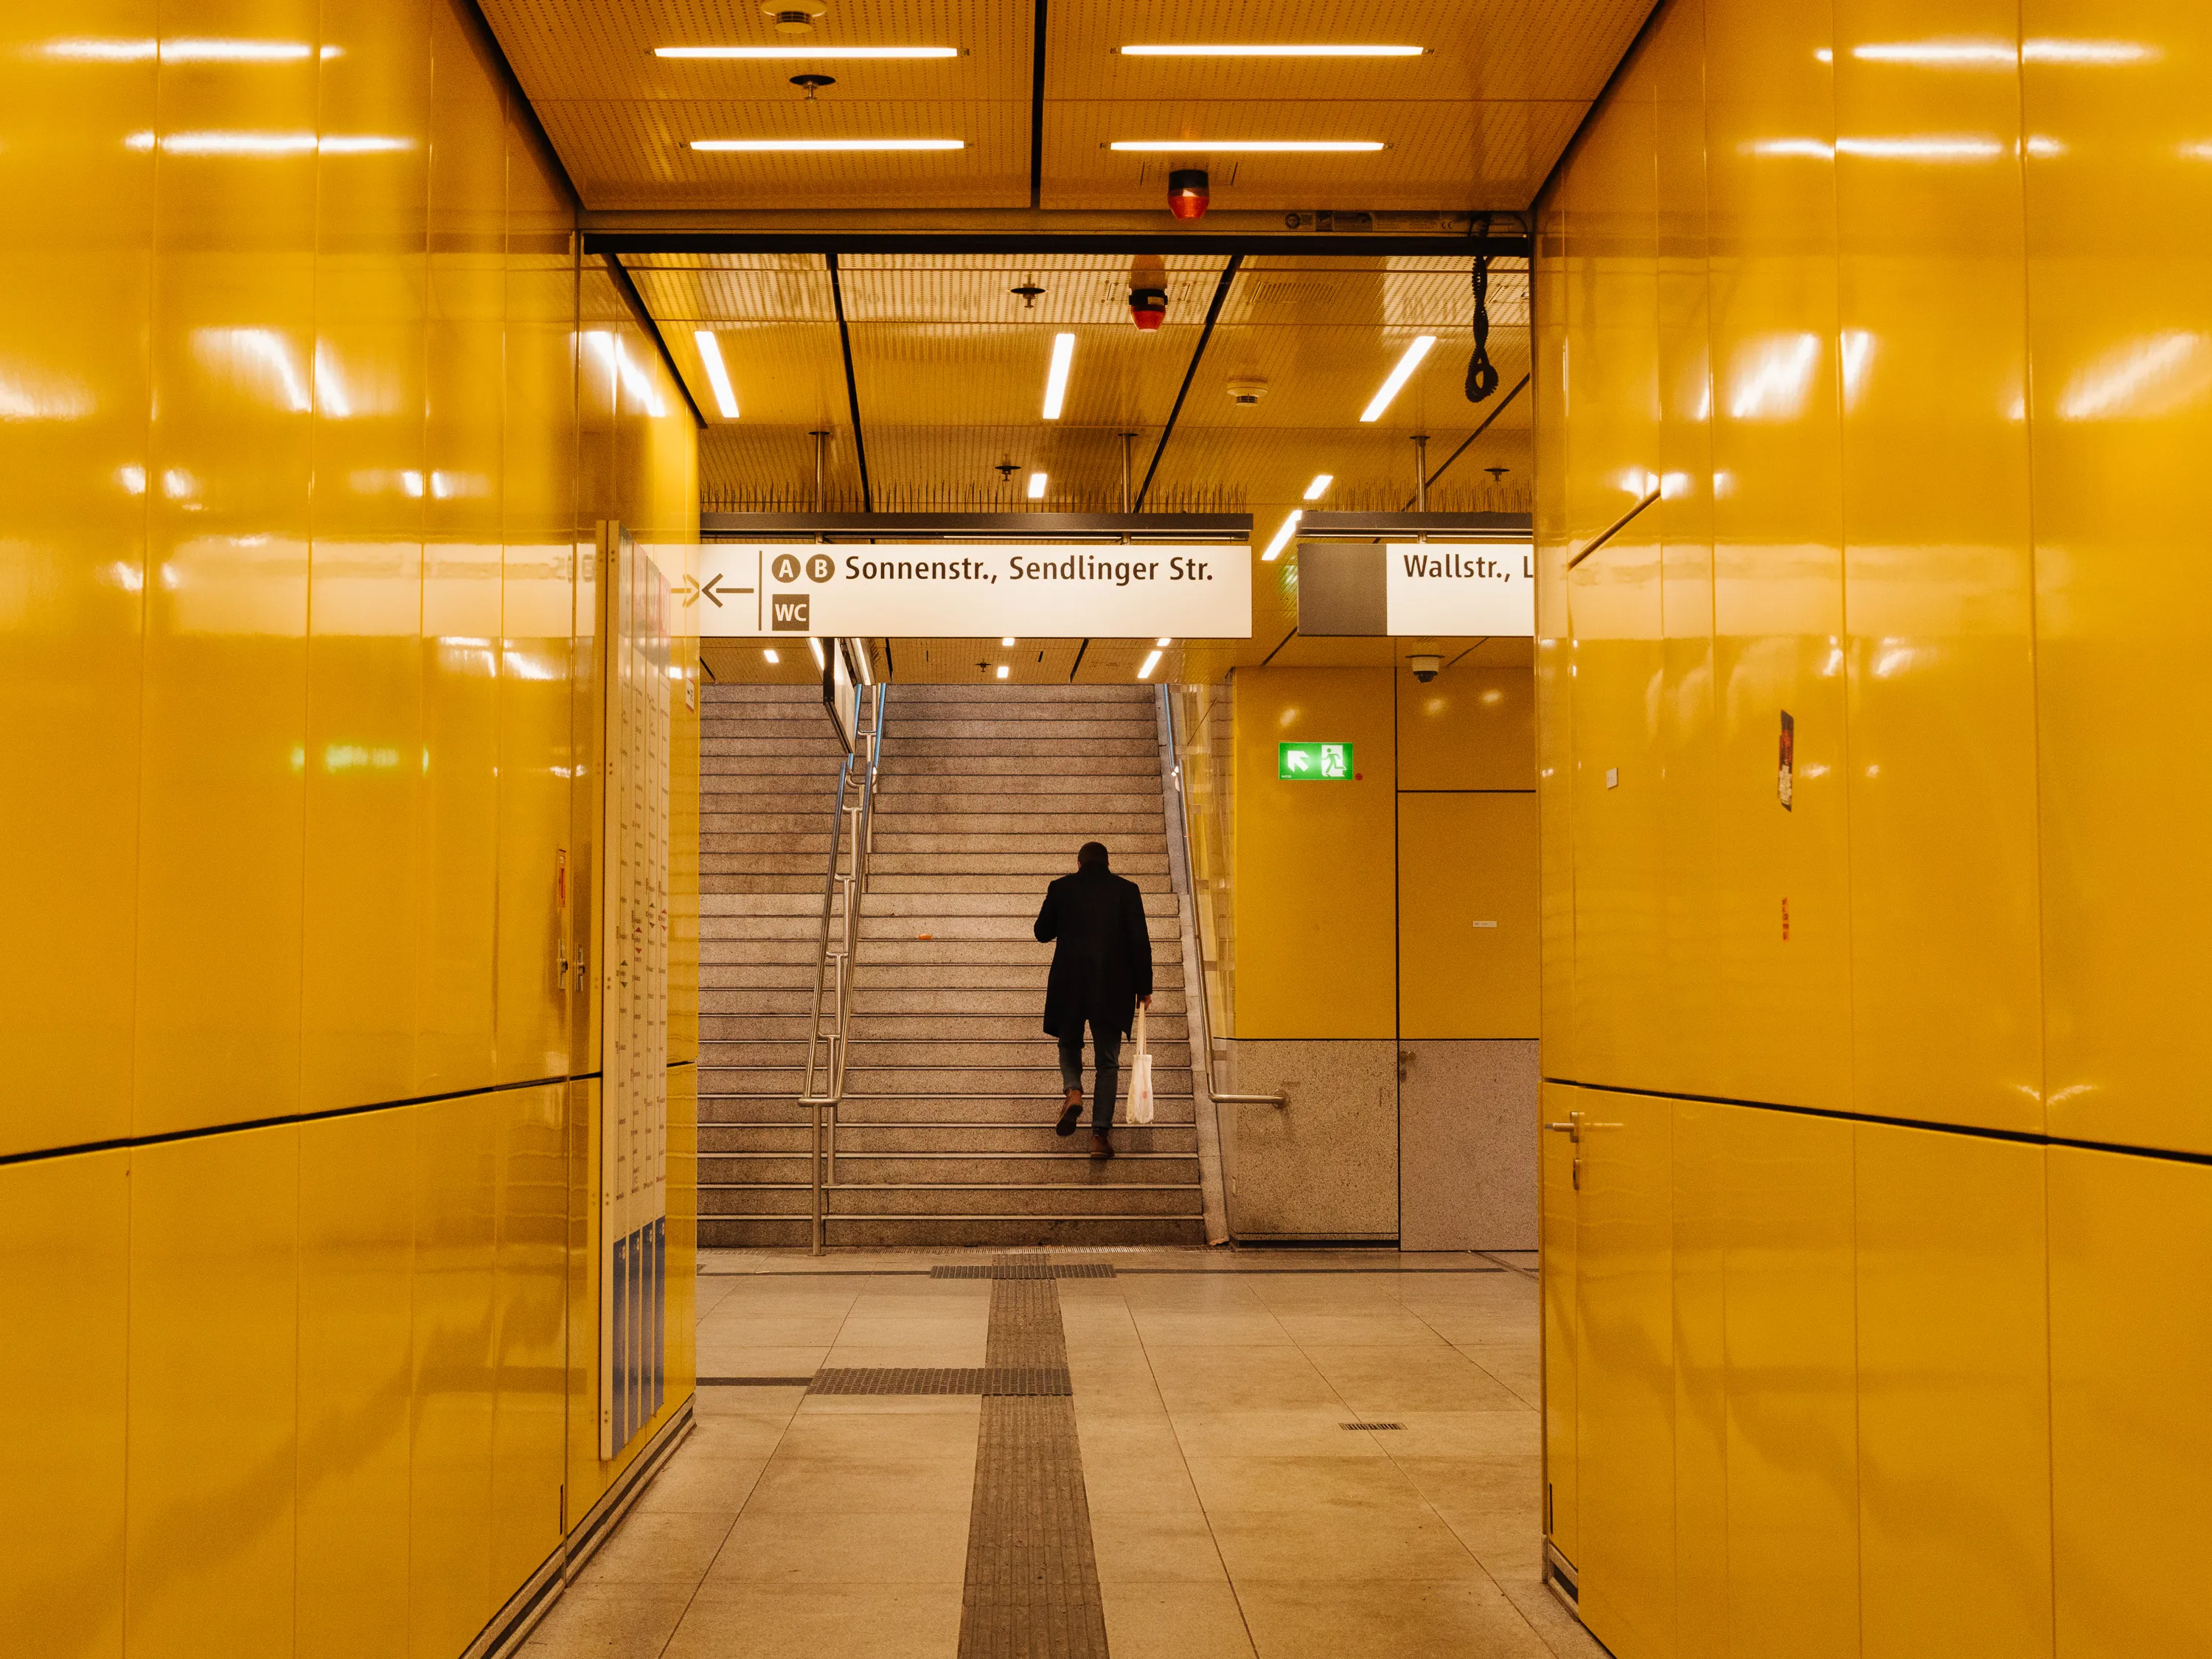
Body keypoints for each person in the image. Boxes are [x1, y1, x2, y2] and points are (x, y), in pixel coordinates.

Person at [1033, 841, 1152, 1161]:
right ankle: (1100, 1135)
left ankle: (1073, 1090)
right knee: (1107, 1062)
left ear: (1078, 863)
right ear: (1107, 862)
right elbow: (1140, 942)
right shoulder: (1127, 890)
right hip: (1113, 987)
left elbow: (1041, 932)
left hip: (1070, 984)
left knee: (1069, 1043)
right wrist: (1145, 988)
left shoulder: (1061, 888)